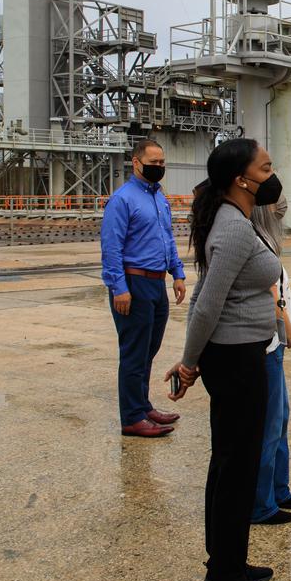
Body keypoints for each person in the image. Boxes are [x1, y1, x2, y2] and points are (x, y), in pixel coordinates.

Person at [164, 138, 285, 581]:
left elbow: (205, 296)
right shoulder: (233, 229)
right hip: (235, 359)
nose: (271, 174)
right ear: (241, 178)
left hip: (236, 354)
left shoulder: (235, 219)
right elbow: (207, 304)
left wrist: (194, 358)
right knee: (236, 468)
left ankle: (224, 564)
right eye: (265, 167)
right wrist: (190, 362)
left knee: (229, 463)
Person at [100, 139, 186, 438]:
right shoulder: (122, 200)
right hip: (133, 283)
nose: (159, 167)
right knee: (134, 353)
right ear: (136, 162)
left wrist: (177, 273)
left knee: (148, 350)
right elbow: (111, 247)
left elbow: (167, 239)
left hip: (156, 281)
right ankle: (132, 417)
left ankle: (143, 405)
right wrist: (119, 288)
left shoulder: (159, 198)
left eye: (162, 163)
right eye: (154, 162)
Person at [249, 199, 291, 525]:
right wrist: (289, 329)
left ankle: (278, 488)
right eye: (277, 215)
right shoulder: (256, 244)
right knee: (269, 426)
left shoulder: (265, 241)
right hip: (269, 344)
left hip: (277, 343)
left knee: (280, 419)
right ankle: (261, 503)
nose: (281, 222)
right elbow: (272, 296)